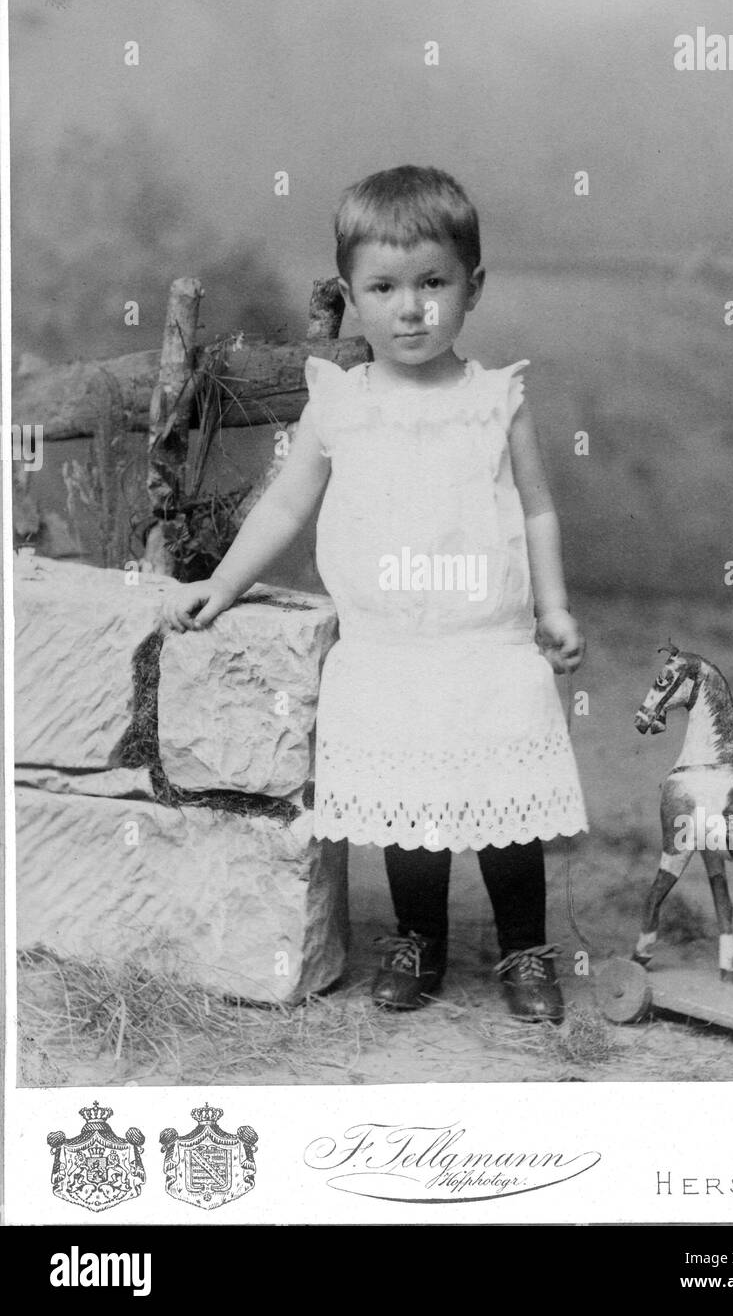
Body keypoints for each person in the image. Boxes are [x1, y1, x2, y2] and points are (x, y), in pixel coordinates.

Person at [162, 165, 588, 1023]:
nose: (411, 308)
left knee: (506, 809)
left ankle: (524, 950)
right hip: (387, 647)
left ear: (472, 286)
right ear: (352, 298)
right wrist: (223, 580)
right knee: (409, 809)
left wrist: (553, 608)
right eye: (385, 288)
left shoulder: (495, 401)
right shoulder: (341, 405)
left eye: (433, 283)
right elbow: (285, 502)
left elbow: (536, 509)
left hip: (488, 644)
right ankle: (418, 939)